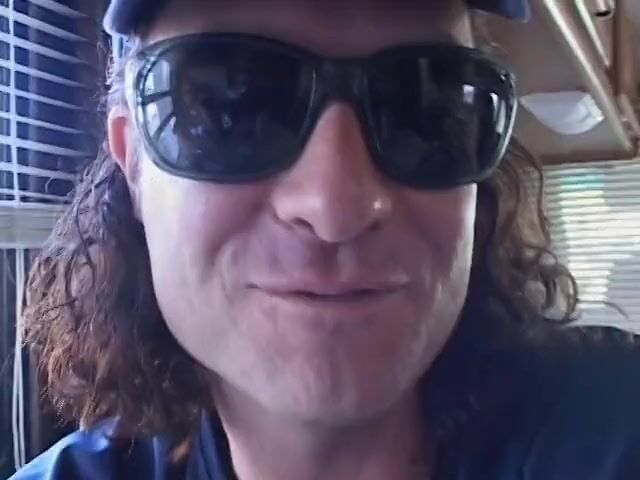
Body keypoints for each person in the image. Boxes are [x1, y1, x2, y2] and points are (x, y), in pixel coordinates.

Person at [10, 0, 640, 479]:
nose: (338, 208)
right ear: (134, 166)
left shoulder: (612, 426)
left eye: (425, 108)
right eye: (234, 108)